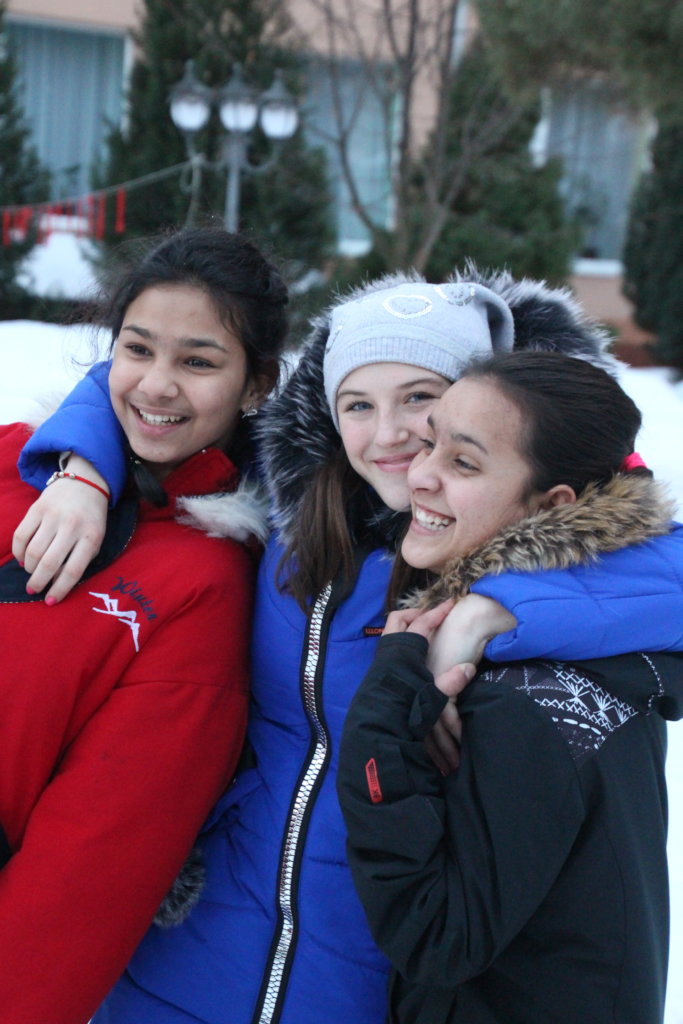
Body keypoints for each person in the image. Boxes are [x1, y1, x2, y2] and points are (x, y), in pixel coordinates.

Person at [13, 269, 678, 1023]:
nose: (389, 435)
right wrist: (84, 467)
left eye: (421, 401)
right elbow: (155, 391)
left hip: (361, 980)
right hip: (183, 958)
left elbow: (654, 563)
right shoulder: (287, 495)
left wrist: (497, 607)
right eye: (357, 404)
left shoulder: (503, 534)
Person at [337, 351, 683, 1024]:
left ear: (551, 504)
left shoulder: (522, 700)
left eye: (463, 463)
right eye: (429, 440)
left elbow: (439, 938)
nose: (420, 472)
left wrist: (381, 716)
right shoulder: (594, 646)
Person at [0, 226, 288, 1024]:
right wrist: (77, 466)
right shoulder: (15, 462)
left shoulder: (206, 584)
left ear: (255, 384)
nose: (157, 386)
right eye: (138, 349)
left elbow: (89, 868)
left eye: (198, 362)